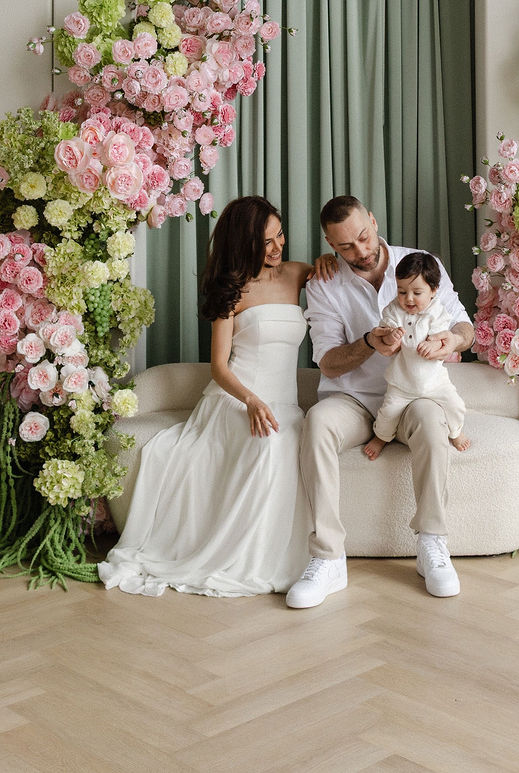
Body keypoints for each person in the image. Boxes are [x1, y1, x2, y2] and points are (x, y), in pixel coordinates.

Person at [97, 197, 310, 598]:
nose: (277, 246)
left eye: (279, 235)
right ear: (244, 243)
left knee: (288, 439)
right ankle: (234, 557)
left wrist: (329, 262)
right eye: (265, 241)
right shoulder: (231, 291)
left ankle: (272, 555)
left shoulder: (298, 274)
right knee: (267, 443)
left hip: (284, 402)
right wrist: (250, 400)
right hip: (237, 397)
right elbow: (219, 367)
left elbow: (342, 284)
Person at [286, 196, 474, 609]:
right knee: (317, 421)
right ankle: (328, 558)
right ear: (330, 245)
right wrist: (369, 342)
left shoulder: (421, 263)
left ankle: (432, 543)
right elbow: (328, 362)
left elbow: (464, 324)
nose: (361, 251)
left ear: (372, 221)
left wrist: (452, 340)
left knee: (431, 418)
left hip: (412, 397)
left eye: (364, 237)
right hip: (352, 399)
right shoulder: (323, 284)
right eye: (346, 246)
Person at [363, 252, 471, 461]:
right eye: (402, 291)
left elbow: (441, 337)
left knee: (456, 406)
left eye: (417, 292)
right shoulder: (393, 310)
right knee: (388, 413)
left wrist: (433, 344)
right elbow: (385, 336)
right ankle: (381, 437)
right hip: (402, 383)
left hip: (435, 382)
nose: (408, 298)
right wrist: (391, 336)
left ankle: (456, 432)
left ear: (433, 290)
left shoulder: (437, 311)